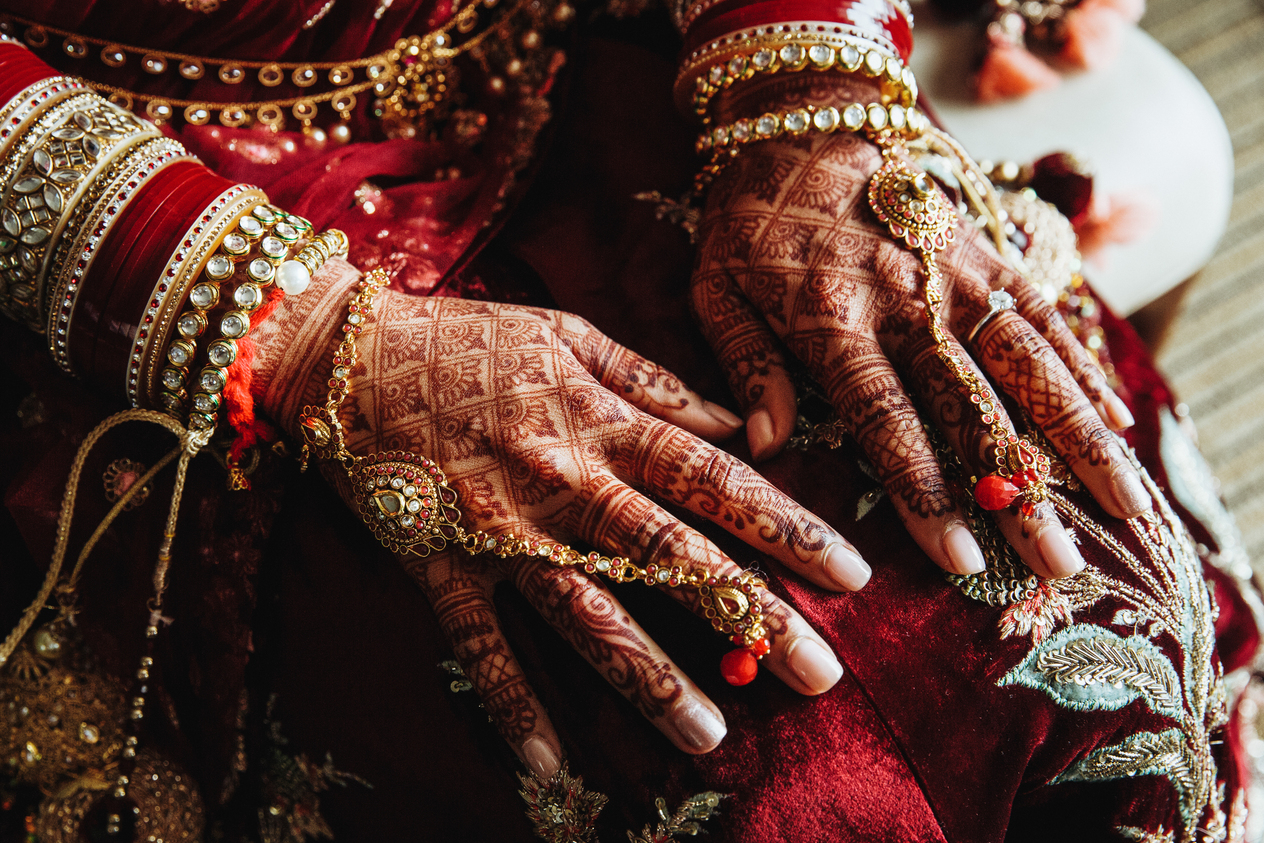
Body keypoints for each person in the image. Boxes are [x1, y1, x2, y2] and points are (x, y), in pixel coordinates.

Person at [0, 1, 1255, 841]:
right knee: (748, 781)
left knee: (1093, 611)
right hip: (134, 222)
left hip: (576, 70)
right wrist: (301, 334)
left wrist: (802, 75)